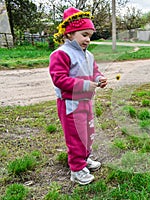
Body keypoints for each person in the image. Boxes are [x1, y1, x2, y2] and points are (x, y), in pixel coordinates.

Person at [49, 7, 107, 185]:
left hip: (86, 102)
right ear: (69, 34)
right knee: (75, 136)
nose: (88, 39)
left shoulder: (88, 54)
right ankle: (76, 169)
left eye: (90, 35)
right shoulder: (61, 54)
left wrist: (99, 78)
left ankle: (84, 159)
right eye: (84, 34)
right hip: (70, 105)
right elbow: (59, 79)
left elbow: (93, 70)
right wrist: (84, 85)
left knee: (87, 133)